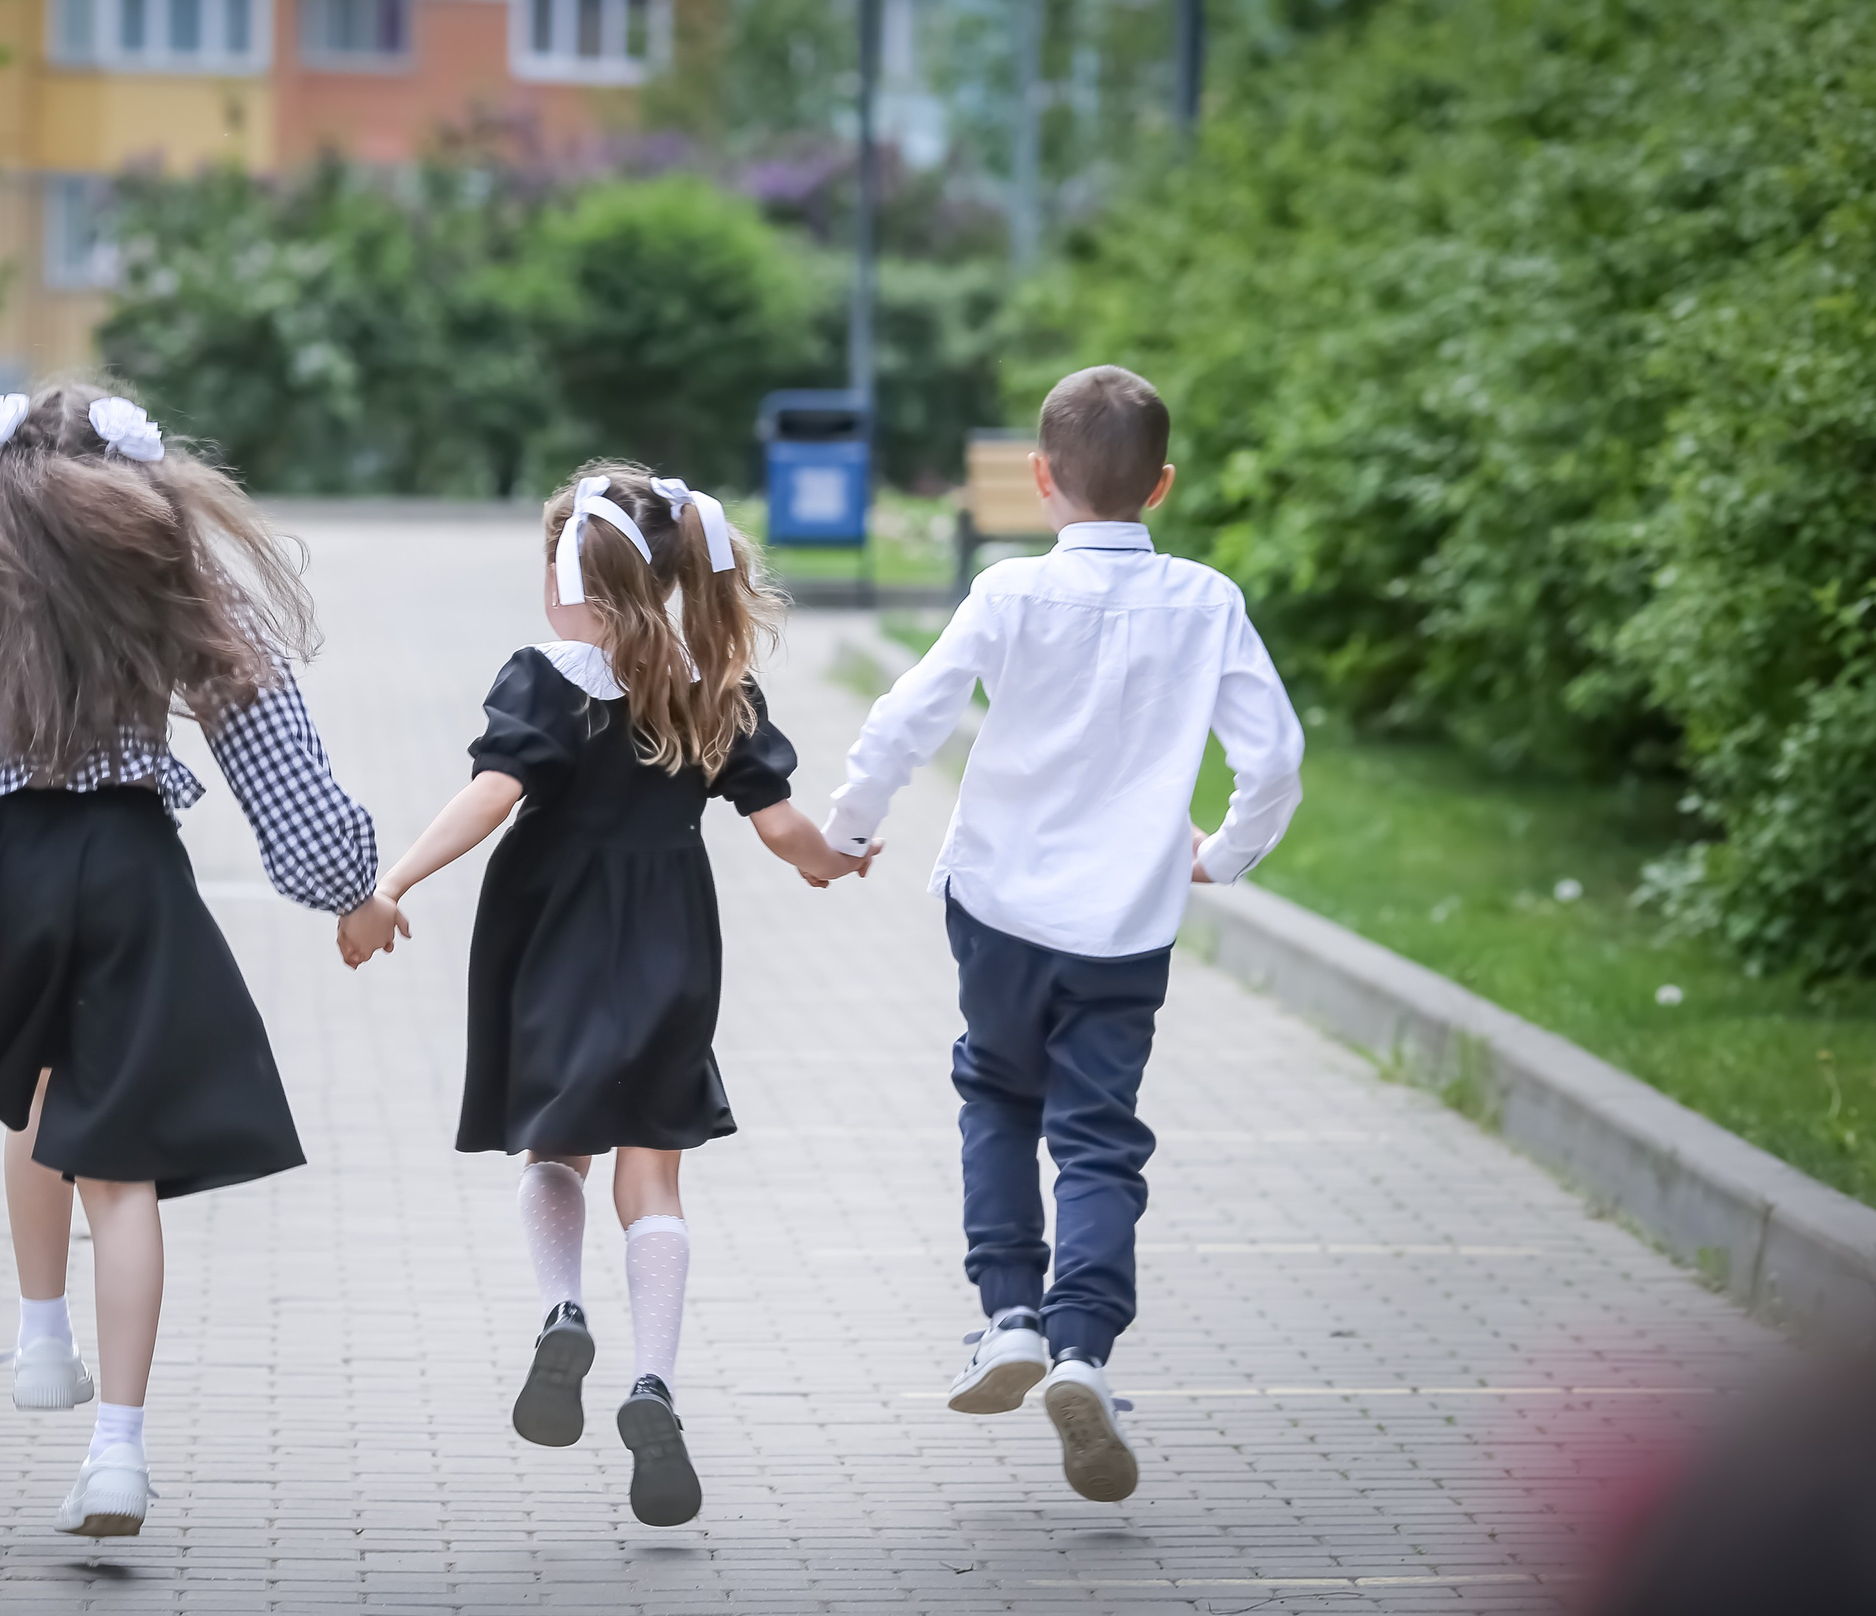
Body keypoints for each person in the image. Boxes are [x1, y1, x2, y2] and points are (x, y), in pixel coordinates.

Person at [0, 383, 398, 1540]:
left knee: (34, 1084)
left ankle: (38, 1332)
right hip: (129, 865)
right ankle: (116, 1448)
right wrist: (348, 888)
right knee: (118, 1174)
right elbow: (273, 747)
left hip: (15, 875)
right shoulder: (171, 587)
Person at [340, 463, 874, 1527]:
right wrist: (832, 860)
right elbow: (779, 828)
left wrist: (390, 881)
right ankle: (654, 1381)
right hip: (672, 935)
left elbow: (491, 794)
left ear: (564, 571)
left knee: (555, 1147)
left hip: (552, 934)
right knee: (655, 1169)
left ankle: (561, 1305)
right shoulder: (709, 676)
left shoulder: (546, 675)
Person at [821, 366, 1304, 1502]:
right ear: (1164, 484)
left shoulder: (1006, 592)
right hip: (1127, 919)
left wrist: (848, 827)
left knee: (996, 1093)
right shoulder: (1205, 599)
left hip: (996, 905)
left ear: (1040, 478)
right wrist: (1222, 852)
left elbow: (908, 713)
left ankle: (1008, 1319)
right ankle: (1083, 1346)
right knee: (1097, 1133)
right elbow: (1274, 755)